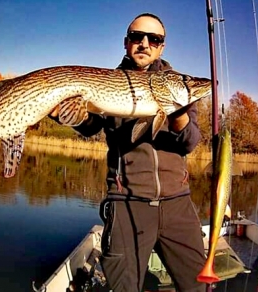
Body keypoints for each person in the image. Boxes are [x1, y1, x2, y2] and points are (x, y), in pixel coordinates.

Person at [51, 13, 206, 292]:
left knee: (197, 285)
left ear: (161, 47)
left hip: (177, 205)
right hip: (127, 201)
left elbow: (189, 143)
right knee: (124, 287)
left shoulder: (179, 85)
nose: (144, 43)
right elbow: (90, 127)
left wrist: (178, 112)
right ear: (126, 43)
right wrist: (64, 114)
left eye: (154, 39)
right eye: (137, 37)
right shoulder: (108, 81)